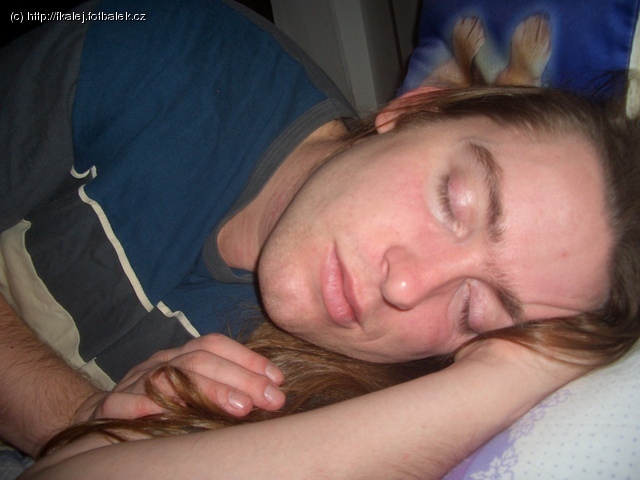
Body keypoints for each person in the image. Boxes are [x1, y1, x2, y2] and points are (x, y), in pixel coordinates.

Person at [2, 0, 640, 477]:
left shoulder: (376, 401)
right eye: (453, 202)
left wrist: (498, 382)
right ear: (413, 110)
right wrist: (75, 417)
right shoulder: (172, 45)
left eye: (473, 310)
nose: (405, 285)